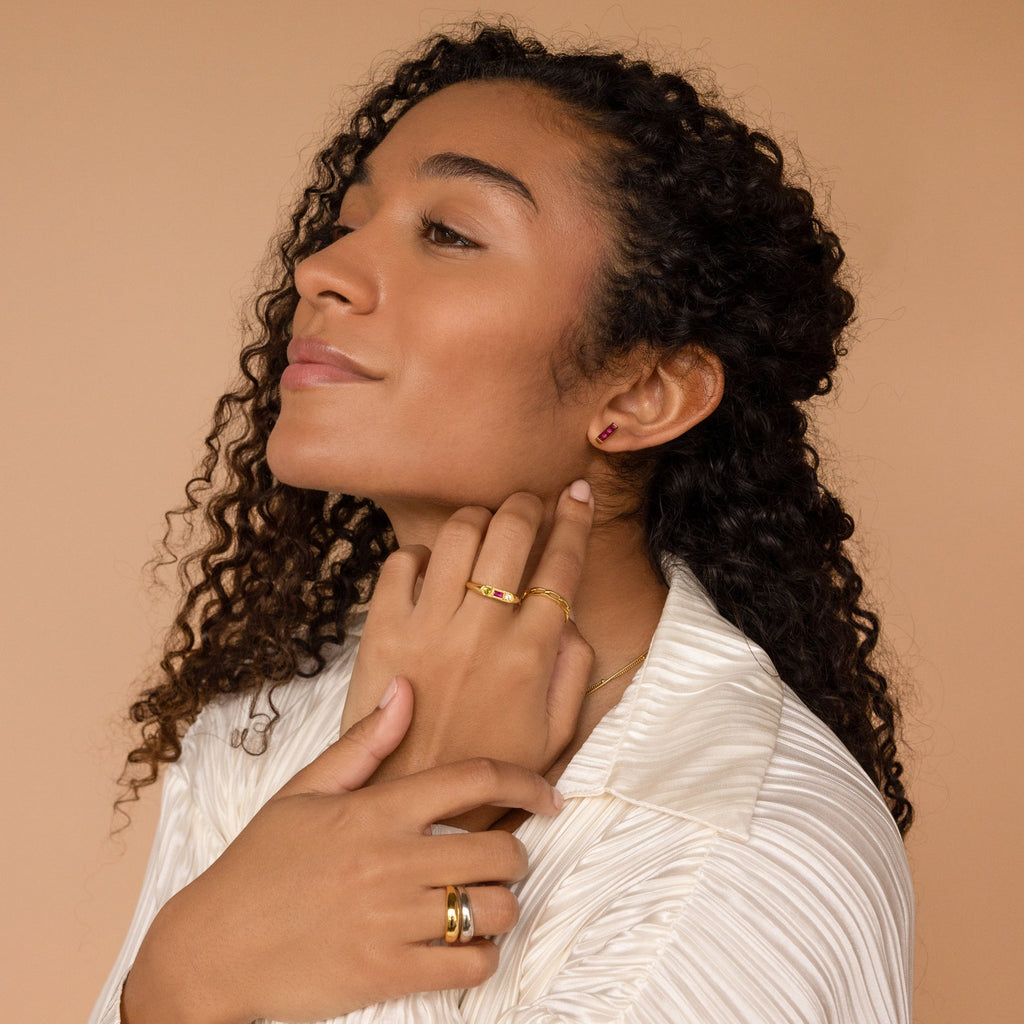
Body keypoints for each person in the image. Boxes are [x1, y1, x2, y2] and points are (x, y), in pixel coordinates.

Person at [90, 21, 914, 1024]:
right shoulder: (257, 729)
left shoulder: (742, 849)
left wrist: (209, 972)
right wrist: (183, 978)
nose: (322, 271)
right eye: (347, 222)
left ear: (646, 390)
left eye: (448, 233)